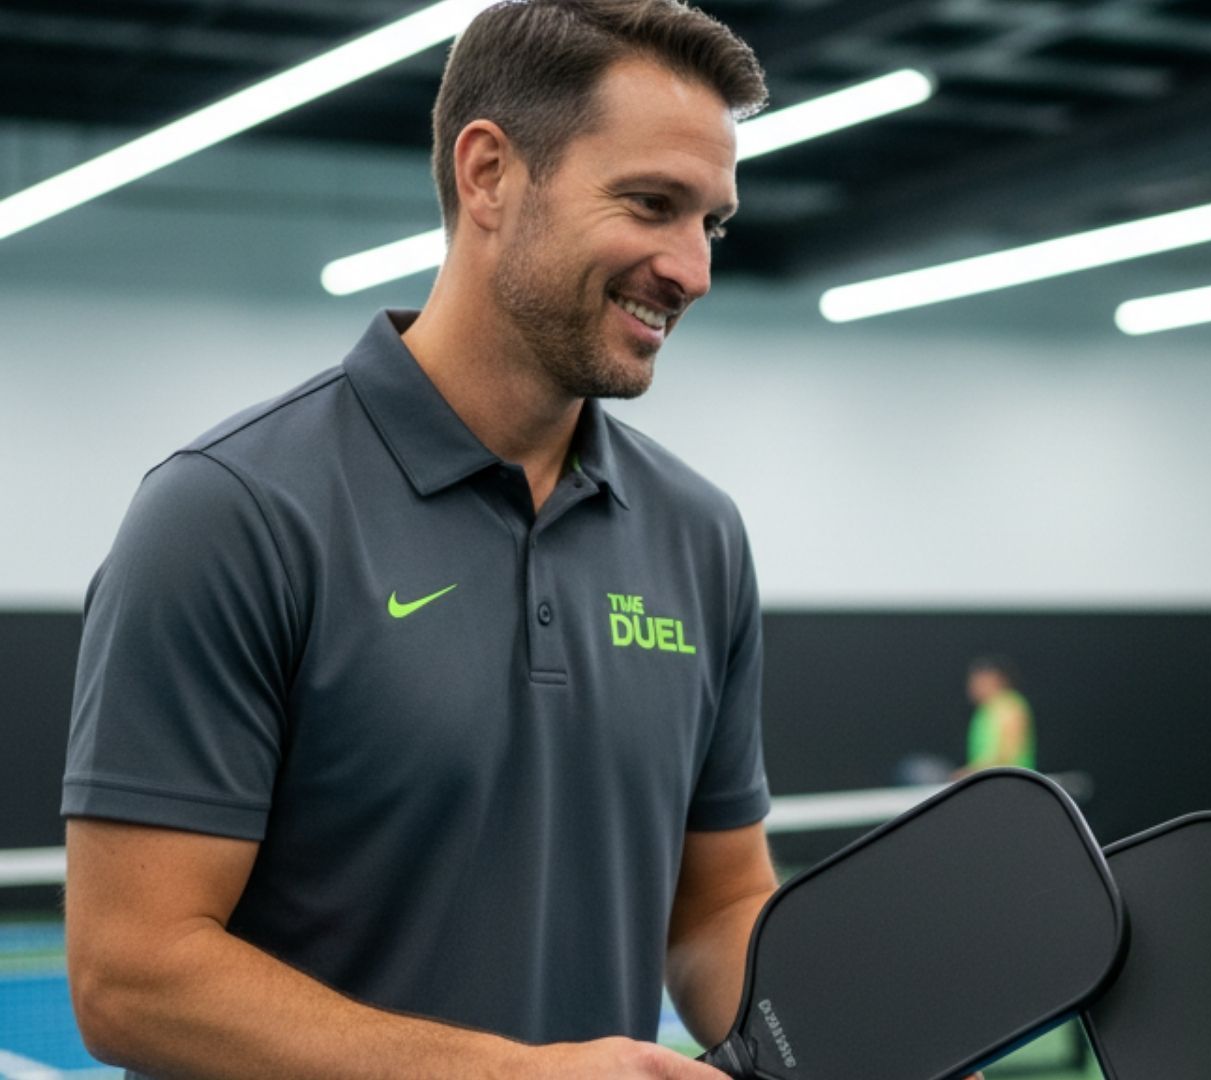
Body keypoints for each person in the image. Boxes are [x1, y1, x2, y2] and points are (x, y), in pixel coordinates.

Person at [63, 4, 777, 1077]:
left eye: (710, 224)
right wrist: (513, 1075)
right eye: (651, 204)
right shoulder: (231, 514)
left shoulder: (700, 536)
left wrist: (855, 1030)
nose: (692, 269)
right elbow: (132, 976)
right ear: (489, 174)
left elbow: (716, 906)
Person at [958, 655, 1036, 775]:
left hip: (1010, 778)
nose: (972, 686)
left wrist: (970, 773)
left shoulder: (1008, 705)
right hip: (989, 779)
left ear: (998, 680)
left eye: (980, 681)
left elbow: (1007, 756)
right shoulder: (983, 710)